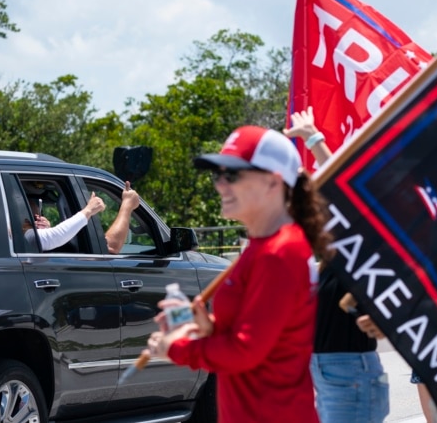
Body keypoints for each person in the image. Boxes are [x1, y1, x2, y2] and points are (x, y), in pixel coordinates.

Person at [145, 125, 333, 423]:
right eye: (217, 175)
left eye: (231, 175)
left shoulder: (280, 251)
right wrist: (209, 326)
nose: (220, 185)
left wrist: (178, 347)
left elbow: (246, 350)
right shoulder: (265, 246)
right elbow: (259, 330)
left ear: (273, 181)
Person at [286, 106, 389, 423]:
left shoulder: (365, 232)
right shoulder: (331, 252)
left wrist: (314, 138)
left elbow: (340, 190)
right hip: (330, 369)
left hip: (350, 370)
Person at [25, 180, 140, 254]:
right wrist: (127, 205)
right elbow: (111, 247)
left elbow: (51, 237)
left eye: (36, 219)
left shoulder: (20, 242)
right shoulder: (16, 234)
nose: (36, 223)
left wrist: (46, 230)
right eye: (30, 221)